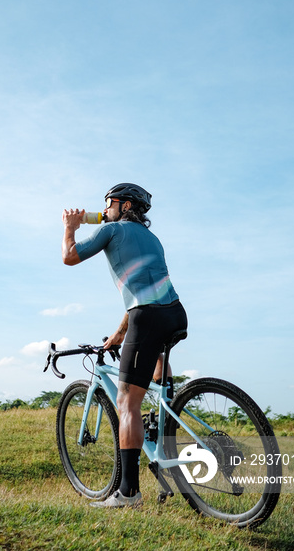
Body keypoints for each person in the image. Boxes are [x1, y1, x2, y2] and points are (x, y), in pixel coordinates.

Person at [62, 183, 188, 508]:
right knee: (155, 358)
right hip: (174, 314)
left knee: (126, 402)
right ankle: (162, 432)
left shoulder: (112, 230)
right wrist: (119, 335)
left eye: (109, 203)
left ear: (125, 204)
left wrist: (70, 227)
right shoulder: (153, 239)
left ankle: (129, 493)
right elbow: (144, 293)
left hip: (147, 318)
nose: (105, 209)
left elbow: (69, 257)